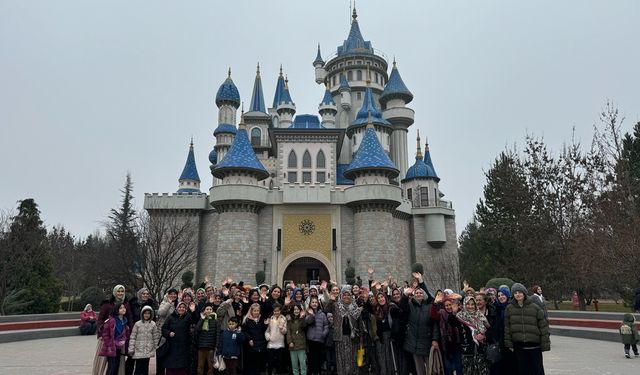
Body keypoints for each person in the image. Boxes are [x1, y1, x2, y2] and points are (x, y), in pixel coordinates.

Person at [504, 283, 550, 375]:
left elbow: (543, 326)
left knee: (537, 370)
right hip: (519, 346)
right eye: (515, 292)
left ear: (524, 293)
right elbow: (507, 327)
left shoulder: (534, 307)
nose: (518, 294)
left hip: (534, 345)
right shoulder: (509, 308)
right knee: (522, 370)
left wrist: (545, 344)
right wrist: (509, 344)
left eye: (520, 292)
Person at [399, 273, 439, 375]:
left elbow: (434, 324)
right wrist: (404, 295)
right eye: (416, 293)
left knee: (431, 369)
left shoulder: (429, 306)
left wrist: (435, 339)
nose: (418, 294)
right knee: (419, 370)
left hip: (426, 343)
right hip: (413, 343)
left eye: (420, 293)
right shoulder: (411, 305)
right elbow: (402, 306)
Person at [325, 286, 362, 375]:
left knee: (352, 360)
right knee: (341, 360)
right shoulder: (336, 306)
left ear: (351, 296)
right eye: (344, 295)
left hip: (353, 339)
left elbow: (359, 323)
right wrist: (331, 300)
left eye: (348, 295)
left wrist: (361, 338)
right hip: (340, 338)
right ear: (341, 296)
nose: (346, 296)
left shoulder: (355, 306)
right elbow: (326, 310)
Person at [162, 301, 197, 375]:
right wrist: (168, 333)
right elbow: (164, 328)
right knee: (170, 366)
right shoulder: (171, 317)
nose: (182, 309)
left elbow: (194, 321)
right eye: (180, 307)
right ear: (177, 308)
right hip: (171, 346)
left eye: (184, 307)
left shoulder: (188, 316)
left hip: (183, 346)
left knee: (181, 367)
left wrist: (193, 311)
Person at [457, 296, 490, 375]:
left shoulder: (481, 317)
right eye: (468, 304)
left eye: (472, 304)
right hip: (468, 351)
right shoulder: (460, 317)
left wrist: (484, 336)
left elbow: (490, 330)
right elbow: (450, 321)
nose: (470, 306)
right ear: (464, 305)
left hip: (481, 351)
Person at [100, 302, 130, 375]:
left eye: (124, 308)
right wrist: (109, 343)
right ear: (116, 310)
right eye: (121, 308)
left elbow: (125, 332)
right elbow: (105, 334)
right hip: (111, 346)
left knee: (116, 365)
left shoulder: (124, 320)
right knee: (112, 366)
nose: (123, 309)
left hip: (119, 346)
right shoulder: (111, 320)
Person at [128, 305, 160, 375]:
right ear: (142, 314)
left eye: (148, 313)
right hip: (138, 349)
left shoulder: (153, 324)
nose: (147, 315)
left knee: (145, 368)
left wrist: (157, 348)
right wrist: (131, 348)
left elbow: (155, 337)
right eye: (145, 313)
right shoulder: (137, 324)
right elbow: (133, 337)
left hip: (148, 349)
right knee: (138, 368)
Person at [437, 296, 464, 375]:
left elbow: (455, 323)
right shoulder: (441, 314)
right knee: (448, 367)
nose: (449, 307)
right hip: (446, 344)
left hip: (457, 344)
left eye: (450, 305)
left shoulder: (459, 314)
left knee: (459, 366)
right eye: (446, 305)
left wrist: (454, 313)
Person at [157, 288, 179, 375]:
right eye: (171, 294)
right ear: (168, 294)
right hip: (163, 334)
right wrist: (168, 303)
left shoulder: (177, 303)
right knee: (161, 356)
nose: (173, 295)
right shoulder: (164, 302)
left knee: (170, 357)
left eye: (175, 294)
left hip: (173, 334)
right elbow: (160, 313)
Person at [305, 295, 329, 375]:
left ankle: (317, 372)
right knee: (311, 358)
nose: (314, 304)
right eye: (313, 302)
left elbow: (326, 325)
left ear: (318, 304)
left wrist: (324, 333)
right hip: (311, 340)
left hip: (320, 339)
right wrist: (312, 315)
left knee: (318, 359)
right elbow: (308, 322)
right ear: (310, 304)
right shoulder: (308, 313)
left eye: (316, 302)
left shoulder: (322, 314)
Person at [242, 302, 268, 375]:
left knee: (259, 364)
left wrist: (266, 325)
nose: (256, 312)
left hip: (261, 345)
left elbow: (263, 331)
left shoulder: (262, 319)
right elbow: (244, 331)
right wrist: (249, 339)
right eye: (254, 311)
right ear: (251, 311)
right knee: (251, 364)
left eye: (257, 310)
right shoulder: (247, 320)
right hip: (251, 346)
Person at [194, 303, 219, 375]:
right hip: (201, 346)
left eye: (210, 309)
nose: (209, 310)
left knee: (210, 367)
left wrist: (216, 345)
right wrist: (202, 319)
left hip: (211, 347)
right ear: (204, 310)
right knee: (200, 366)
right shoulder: (201, 319)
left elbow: (217, 334)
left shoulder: (216, 321)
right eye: (207, 309)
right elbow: (197, 330)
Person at [265, 302, 287, 375]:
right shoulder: (270, 318)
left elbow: (285, 331)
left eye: (278, 311)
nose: (276, 312)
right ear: (273, 311)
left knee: (279, 362)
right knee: (270, 362)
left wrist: (282, 329)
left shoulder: (283, 318)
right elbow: (267, 331)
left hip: (280, 344)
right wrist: (268, 337)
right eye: (275, 311)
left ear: (280, 311)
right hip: (271, 344)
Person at [287, 304, 308, 375]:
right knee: (294, 364)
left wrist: (302, 318)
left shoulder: (303, 318)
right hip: (292, 345)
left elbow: (304, 327)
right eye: (294, 309)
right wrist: (290, 342)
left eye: (298, 309)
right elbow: (288, 332)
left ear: (300, 310)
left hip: (301, 344)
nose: (296, 311)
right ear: (292, 311)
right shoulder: (289, 320)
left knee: (303, 363)